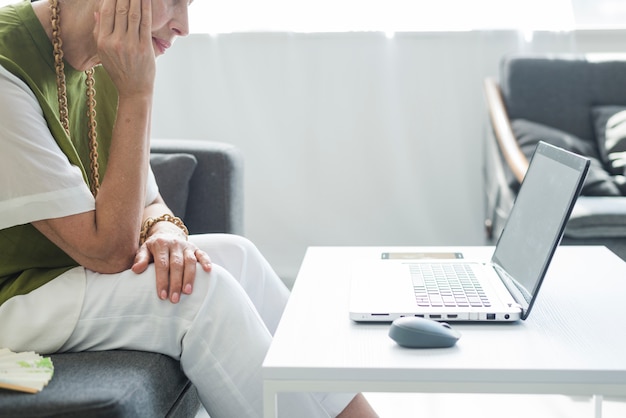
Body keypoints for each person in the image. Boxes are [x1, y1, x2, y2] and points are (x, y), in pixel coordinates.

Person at [0, 0, 379, 416]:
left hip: (62, 279)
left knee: (237, 257)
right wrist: (138, 94)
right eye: (173, 1)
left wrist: (166, 231)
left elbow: (149, 202)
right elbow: (108, 251)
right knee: (198, 294)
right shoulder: (7, 69)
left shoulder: (103, 61)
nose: (184, 25)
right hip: (12, 297)